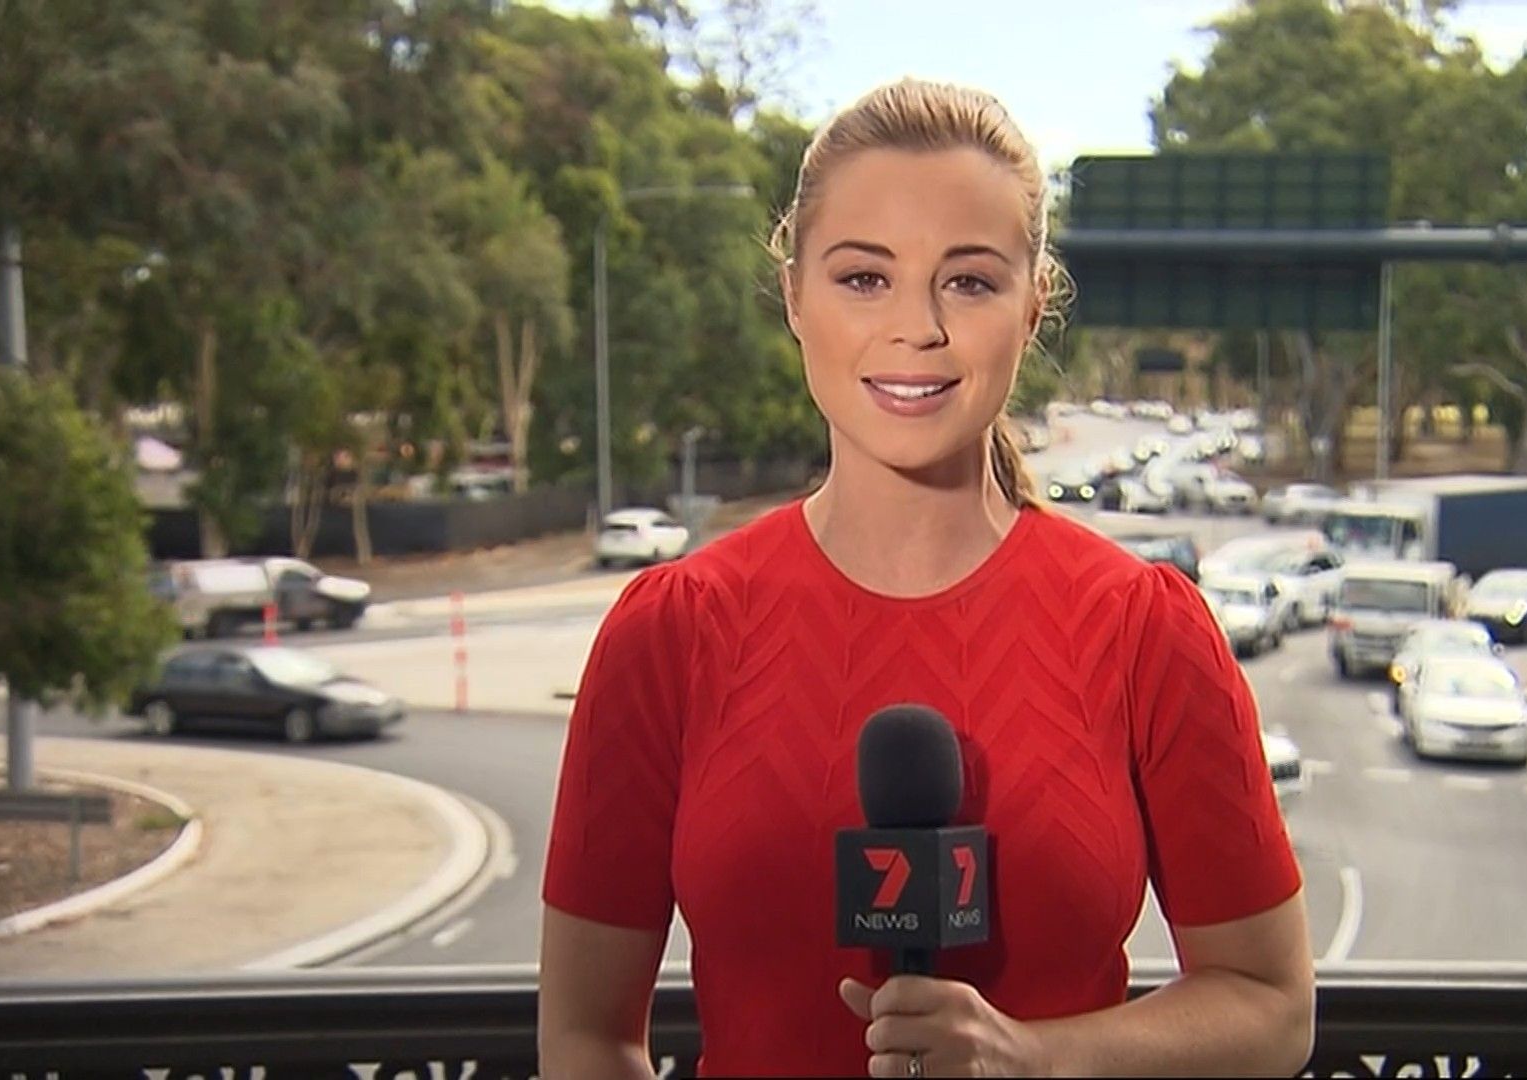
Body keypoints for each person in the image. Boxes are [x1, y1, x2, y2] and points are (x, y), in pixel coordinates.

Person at [539, 78, 1313, 1079]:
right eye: (865, 278)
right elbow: (586, 1035)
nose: (917, 328)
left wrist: (1036, 1058)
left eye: (969, 282)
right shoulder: (672, 630)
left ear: (1033, 305)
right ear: (795, 296)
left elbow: (1272, 1007)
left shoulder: (1141, 626)